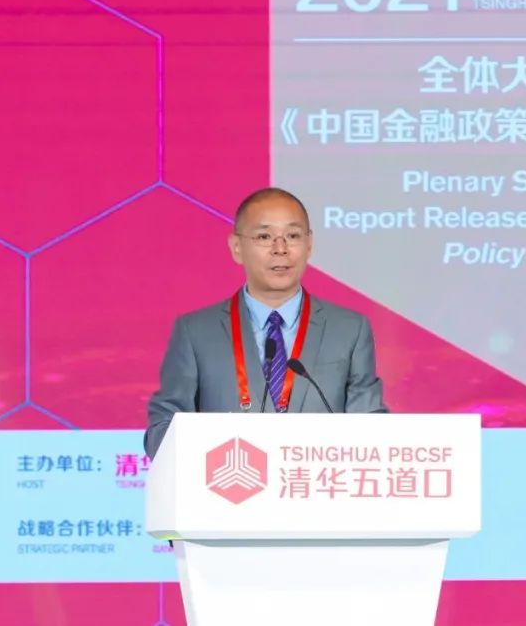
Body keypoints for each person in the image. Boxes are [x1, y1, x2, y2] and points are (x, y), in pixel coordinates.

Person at [144, 187, 387, 458]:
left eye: (292, 236)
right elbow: (163, 430)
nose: (280, 249)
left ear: (309, 245)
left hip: (314, 482)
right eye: (264, 237)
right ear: (237, 248)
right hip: (230, 479)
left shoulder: (350, 330)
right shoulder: (195, 332)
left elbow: (372, 431)